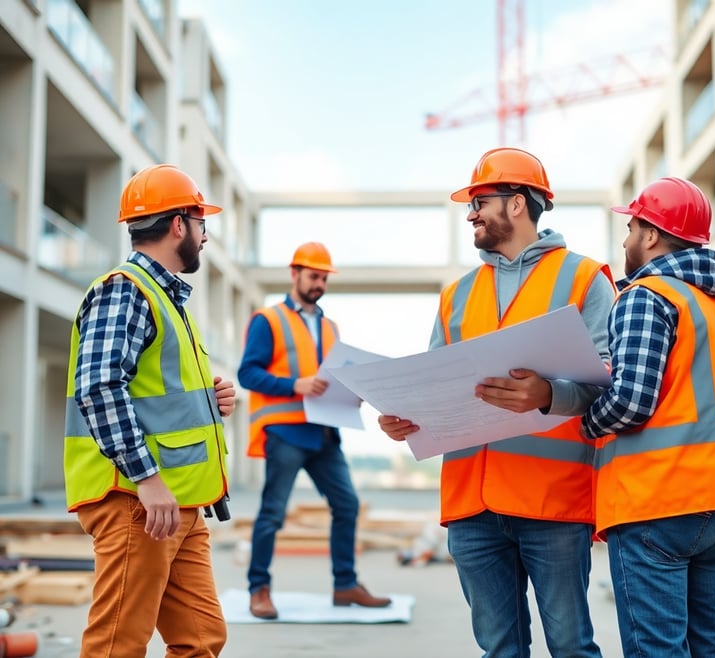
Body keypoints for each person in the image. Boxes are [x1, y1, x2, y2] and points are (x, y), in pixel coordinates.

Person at [379, 147, 615, 657]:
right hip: (472, 505)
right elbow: (434, 384)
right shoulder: (457, 295)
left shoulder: (584, 279)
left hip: (551, 501)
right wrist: (406, 416)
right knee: (499, 650)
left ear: (516, 204)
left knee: (571, 646)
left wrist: (549, 394)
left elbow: (608, 384)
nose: (470, 213)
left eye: (480, 201)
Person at [580, 177, 715, 657]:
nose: (625, 240)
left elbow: (631, 403)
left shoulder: (645, 296)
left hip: (659, 500)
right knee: (710, 648)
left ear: (653, 235)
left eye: (632, 227)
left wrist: (585, 421)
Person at [63, 164, 235, 657]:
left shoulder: (166, 297)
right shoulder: (126, 289)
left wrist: (211, 399)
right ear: (179, 224)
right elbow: (98, 387)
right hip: (138, 498)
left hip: (179, 501)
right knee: (118, 643)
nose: (205, 236)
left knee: (201, 639)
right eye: (202, 223)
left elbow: (155, 393)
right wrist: (147, 478)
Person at [239, 241, 391, 619]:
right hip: (287, 432)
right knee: (272, 513)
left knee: (347, 505)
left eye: (323, 278)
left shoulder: (330, 326)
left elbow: (331, 376)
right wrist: (296, 384)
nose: (319, 283)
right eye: (313, 276)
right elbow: (247, 373)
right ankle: (259, 589)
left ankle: (345, 585)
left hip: (324, 433)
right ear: (294, 274)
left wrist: (350, 393)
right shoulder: (268, 320)